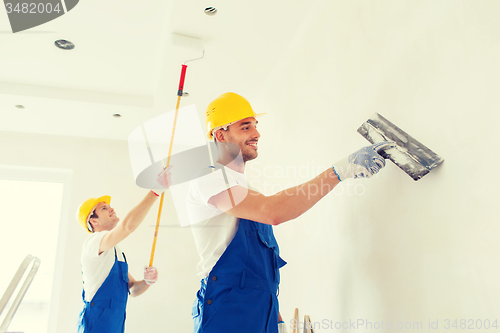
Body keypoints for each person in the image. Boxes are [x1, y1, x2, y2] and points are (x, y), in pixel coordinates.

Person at [188, 92, 395, 333]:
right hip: (226, 309)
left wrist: (277, 320)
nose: (256, 134)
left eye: (255, 126)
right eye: (245, 127)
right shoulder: (209, 177)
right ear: (220, 135)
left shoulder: (250, 193)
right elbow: (273, 211)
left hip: (261, 311)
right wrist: (341, 170)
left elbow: (258, 277)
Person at [77, 167, 171, 333]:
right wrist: (155, 190)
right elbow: (127, 226)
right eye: (104, 208)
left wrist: (147, 282)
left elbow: (133, 289)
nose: (111, 209)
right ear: (93, 221)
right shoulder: (93, 243)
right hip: (96, 325)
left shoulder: (115, 252)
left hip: (115, 326)